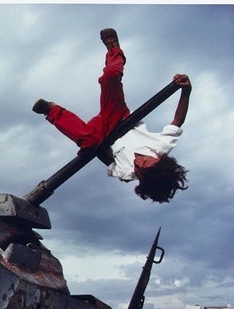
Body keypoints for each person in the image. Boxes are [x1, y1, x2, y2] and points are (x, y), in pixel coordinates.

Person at [32, 28, 191, 203]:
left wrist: (95, 149)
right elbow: (177, 121)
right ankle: (113, 50)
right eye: (145, 163)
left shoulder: (126, 173)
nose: (137, 164)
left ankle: (51, 110)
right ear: (159, 160)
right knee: (111, 75)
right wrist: (186, 90)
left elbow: (108, 161)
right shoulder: (161, 146)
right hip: (118, 115)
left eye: (139, 171)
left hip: (101, 133)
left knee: (89, 142)